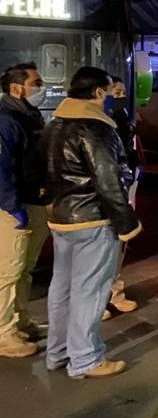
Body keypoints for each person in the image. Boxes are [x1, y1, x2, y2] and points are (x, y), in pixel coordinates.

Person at [41, 66, 142, 379]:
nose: (113, 98)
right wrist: (126, 222)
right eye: (110, 91)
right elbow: (108, 179)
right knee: (90, 291)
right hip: (92, 219)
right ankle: (86, 359)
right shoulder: (96, 128)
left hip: (61, 219)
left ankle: (57, 352)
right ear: (99, 92)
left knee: (62, 289)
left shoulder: (54, 124)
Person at [0, 62, 48, 357]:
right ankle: (3, 332)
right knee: (7, 271)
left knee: (25, 269)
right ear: (17, 88)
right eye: (37, 82)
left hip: (34, 199)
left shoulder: (30, 115)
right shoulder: (5, 120)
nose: (41, 88)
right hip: (13, 205)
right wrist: (11, 206)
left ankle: (20, 321)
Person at [102, 77, 139, 320]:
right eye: (116, 92)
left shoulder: (124, 118)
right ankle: (99, 300)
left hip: (126, 184)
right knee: (102, 246)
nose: (121, 96)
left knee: (119, 245)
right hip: (108, 191)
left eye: (123, 92)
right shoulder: (98, 125)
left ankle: (116, 293)